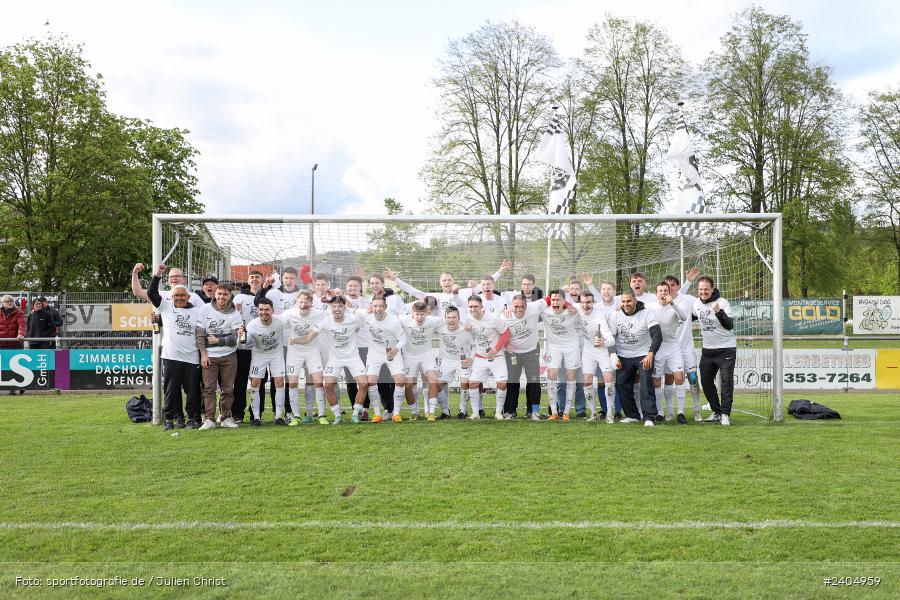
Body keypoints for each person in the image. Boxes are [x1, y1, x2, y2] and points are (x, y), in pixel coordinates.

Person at [141, 263, 203, 430]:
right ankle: (171, 418)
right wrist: (157, 275)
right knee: (171, 389)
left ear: (188, 297)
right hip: (171, 356)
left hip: (192, 357)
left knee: (192, 391)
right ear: (172, 297)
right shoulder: (166, 306)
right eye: (176, 296)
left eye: (182, 295)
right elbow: (151, 293)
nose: (179, 298)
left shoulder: (198, 311)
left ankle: (193, 418)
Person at [296, 295, 369, 424]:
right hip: (335, 358)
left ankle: (356, 413)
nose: (336, 309)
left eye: (339, 306)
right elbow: (309, 337)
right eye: (334, 306)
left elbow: (359, 328)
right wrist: (295, 340)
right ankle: (337, 416)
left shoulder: (354, 319)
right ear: (331, 307)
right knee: (328, 385)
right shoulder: (326, 321)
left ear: (344, 307)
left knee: (363, 384)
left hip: (353, 357)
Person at [350, 295, 408, 423]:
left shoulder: (393, 321)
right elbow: (348, 308)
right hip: (374, 353)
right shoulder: (365, 314)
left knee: (400, 380)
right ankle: (377, 414)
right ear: (371, 306)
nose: (378, 308)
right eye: (375, 305)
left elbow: (403, 338)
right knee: (371, 381)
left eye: (381, 306)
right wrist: (331, 297)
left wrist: (396, 349)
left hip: (391, 352)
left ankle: (396, 414)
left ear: (385, 307)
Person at [608, 290, 662, 427]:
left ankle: (649, 417)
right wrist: (613, 355)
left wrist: (651, 354)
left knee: (646, 383)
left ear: (635, 301)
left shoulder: (647, 313)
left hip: (644, 355)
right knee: (621, 385)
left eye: (629, 301)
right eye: (623, 301)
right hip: (623, 355)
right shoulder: (615, 315)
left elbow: (657, 335)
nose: (626, 304)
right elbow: (611, 338)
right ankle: (632, 415)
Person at [196, 284, 243, 430]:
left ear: (230, 296)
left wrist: (218, 340)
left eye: (225, 294)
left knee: (228, 389)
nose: (222, 297)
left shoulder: (235, 313)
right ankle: (209, 419)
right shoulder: (204, 309)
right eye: (219, 294)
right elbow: (200, 334)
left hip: (229, 355)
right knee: (209, 389)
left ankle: (225, 417)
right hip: (210, 356)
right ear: (215, 294)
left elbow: (236, 338)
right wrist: (203, 354)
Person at [692, 276, 737, 426]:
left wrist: (719, 312)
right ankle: (716, 412)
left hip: (726, 349)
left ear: (712, 289)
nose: (703, 292)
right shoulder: (696, 303)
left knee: (726, 382)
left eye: (706, 289)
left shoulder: (722, 302)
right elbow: (686, 316)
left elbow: (729, 325)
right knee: (705, 382)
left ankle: (725, 414)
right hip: (708, 351)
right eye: (700, 289)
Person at [645, 282, 690, 423]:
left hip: (673, 347)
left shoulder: (675, 305)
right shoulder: (649, 307)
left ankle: (680, 412)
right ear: (656, 293)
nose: (663, 293)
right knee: (656, 380)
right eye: (660, 291)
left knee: (679, 378)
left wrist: (673, 303)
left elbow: (683, 317)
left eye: (666, 290)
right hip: (656, 348)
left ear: (669, 292)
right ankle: (660, 413)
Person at [237, 297, 285, 426]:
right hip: (259, 355)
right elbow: (242, 345)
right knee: (255, 383)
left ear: (272, 310)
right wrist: (241, 336)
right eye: (261, 309)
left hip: (276, 354)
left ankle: (278, 416)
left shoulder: (280, 321)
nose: (264, 312)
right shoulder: (252, 325)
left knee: (280, 382)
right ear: (258, 310)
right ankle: (256, 417)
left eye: (267, 310)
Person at [283, 290, 327, 425]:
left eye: (306, 302)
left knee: (317, 382)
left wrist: (295, 340)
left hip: (312, 351)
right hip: (294, 353)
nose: (303, 305)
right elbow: (276, 323)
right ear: (297, 302)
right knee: (292, 383)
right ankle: (296, 416)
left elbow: (309, 338)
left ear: (311, 303)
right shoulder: (289, 314)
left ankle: (319, 415)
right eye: (301, 302)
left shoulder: (319, 314)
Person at [463, 296, 510, 420]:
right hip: (480, 356)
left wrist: (496, 349)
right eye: (471, 307)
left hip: (496, 355)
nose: (473, 309)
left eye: (476, 307)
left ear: (481, 307)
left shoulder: (493, 318)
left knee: (502, 384)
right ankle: (475, 414)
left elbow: (506, 333)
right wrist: (466, 329)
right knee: (472, 384)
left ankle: (498, 413)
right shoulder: (467, 318)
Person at [666, 268, 702, 421]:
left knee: (693, 378)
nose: (670, 288)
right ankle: (669, 412)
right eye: (667, 286)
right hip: (669, 349)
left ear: (677, 286)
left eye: (673, 285)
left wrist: (689, 282)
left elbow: (703, 303)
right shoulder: (660, 301)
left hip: (686, 347)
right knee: (669, 379)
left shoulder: (688, 299)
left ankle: (697, 410)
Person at [574, 291, 616, 422]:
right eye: (583, 302)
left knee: (609, 380)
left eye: (588, 302)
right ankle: (593, 414)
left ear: (593, 303)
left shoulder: (599, 317)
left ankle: (609, 414)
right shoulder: (576, 310)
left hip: (603, 351)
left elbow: (611, 340)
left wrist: (604, 342)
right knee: (586, 381)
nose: (585, 305)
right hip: (588, 352)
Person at [399, 302, 444, 420]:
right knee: (408, 385)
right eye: (417, 314)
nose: (419, 317)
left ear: (427, 313)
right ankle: (414, 412)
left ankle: (431, 412)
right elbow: (388, 318)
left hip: (427, 356)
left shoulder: (433, 320)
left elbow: (450, 319)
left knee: (434, 381)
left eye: (422, 314)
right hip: (409, 356)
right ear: (412, 314)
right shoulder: (404, 319)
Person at [541, 289, 581, 421]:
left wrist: (570, 305)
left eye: (558, 300)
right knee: (551, 375)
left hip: (572, 347)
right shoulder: (544, 312)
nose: (555, 302)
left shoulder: (573, 310)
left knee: (571, 376)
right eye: (553, 300)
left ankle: (566, 413)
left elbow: (592, 309)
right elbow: (529, 308)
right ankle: (554, 412)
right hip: (554, 347)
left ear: (564, 301)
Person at [503, 295, 543, 419]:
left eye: (522, 306)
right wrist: (506, 344)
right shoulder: (504, 316)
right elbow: (498, 334)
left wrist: (567, 304)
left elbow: (550, 299)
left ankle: (533, 411)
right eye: (516, 306)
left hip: (531, 351)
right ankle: (510, 411)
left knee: (534, 381)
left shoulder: (534, 307)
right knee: (512, 382)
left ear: (527, 305)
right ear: (511, 305)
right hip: (513, 354)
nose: (519, 309)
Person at [232, 270, 264, 422]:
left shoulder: (266, 295)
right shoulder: (239, 297)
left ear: (262, 280)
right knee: (240, 380)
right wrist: (235, 310)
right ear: (248, 280)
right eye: (252, 277)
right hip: (243, 345)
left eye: (257, 277)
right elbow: (231, 316)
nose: (254, 279)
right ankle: (237, 413)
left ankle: (256, 413)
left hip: (260, 345)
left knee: (259, 380)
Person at [436, 306, 474, 419]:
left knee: (465, 383)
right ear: (445, 318)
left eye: (454, 317)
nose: (451, 320)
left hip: (463, 360)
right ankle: (445, 411)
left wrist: (471, 359)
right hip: (447, 360)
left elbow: (475, 345)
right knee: (437, 385)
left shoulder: (465, 329)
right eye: (449, 317)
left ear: (458, 318)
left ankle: (463, 411)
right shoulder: (440, 327)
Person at [1, 295, 26, 395]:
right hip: (1, 344)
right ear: (2, 303)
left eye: (11, 301)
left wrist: (21, 334)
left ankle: (17, 387)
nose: (9, 303)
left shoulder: (19, 312)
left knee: (17, 367)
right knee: (3, 366)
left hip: (15, 344)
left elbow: (22, 324)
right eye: (7, 301)